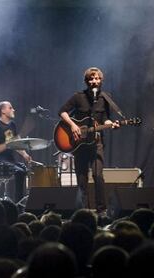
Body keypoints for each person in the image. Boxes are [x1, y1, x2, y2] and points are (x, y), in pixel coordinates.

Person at [59, 67, 119, 211]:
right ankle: (83, 211)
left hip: (97, 142)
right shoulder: (78, 97)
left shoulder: (106, 97)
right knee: (81, 178)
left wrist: (111, 124)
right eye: (91, 79)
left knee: (98, 175)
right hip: (80, 144)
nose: (94, 81)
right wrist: (73, 126)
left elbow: (106, 118)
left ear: (101, 80)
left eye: (97, 78)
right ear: (87, 81)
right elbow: (62, 111)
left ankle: (102, 210)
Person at [0, 101, 31, 203]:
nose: (13, 110)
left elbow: (17, 143)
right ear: (3, 111)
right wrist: (9, 143)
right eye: (10, 108)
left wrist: (25, 154)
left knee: (24, 169)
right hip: (0, 160)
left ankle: (20, 202)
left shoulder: (12, 124)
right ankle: (17, 203)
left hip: (10, 160)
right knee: (19, 172)